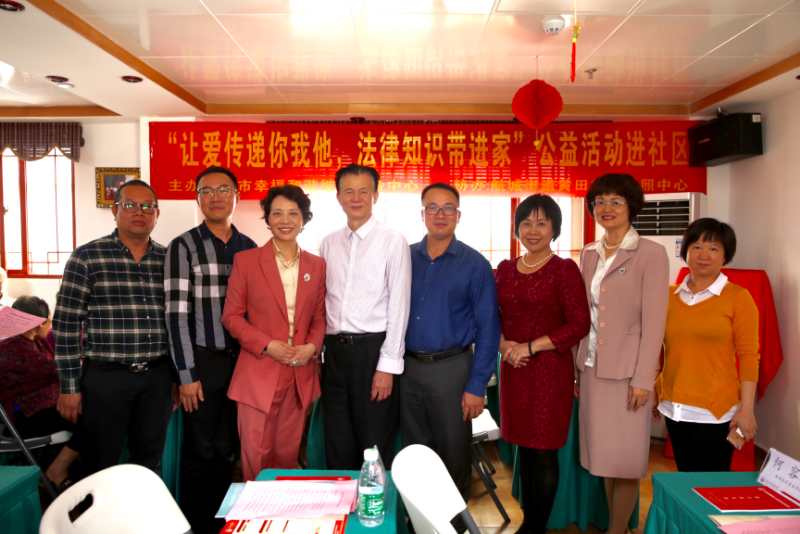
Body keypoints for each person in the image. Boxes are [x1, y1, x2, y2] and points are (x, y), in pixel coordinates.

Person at [53, 180, 173, 476]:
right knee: (99, 460)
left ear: (157, 214)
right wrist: (69, 387)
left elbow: (178, 321)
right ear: (114, 210)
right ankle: (91, 508)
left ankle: (139, 507)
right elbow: (66, 325)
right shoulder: (88, 257)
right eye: (129, 205)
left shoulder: (168, 259)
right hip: (106, 378)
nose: (139, 212)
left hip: (156, 378)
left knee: (149, 461)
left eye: (147, 206)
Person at [574, 173, 668, 534]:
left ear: (632, 206)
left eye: (616, 201)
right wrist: (576, 370)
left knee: (626, 460)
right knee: (603, 458)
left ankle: (617, 530)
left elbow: (654, 323)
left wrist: (644, 379)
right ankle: (618, 527)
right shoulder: (588, 253)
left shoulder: (651, 254)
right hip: (592, 369)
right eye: (599, 201)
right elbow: (583, 315)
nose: (606, 208)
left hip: (628, 374)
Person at [164, 166, 256, 533]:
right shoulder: (183, 246)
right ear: (198, 198)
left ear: (236, 195)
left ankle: (224, 523)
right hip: (203, 361)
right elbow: (175, 315)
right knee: (200, 449)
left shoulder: (249, 247)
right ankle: (197, 525)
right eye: (207, 190)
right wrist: (186, 375)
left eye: (223, 189)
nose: (215, 197)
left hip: (242, 363)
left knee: (229, 446)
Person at [496, 195, 590, 534]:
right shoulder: (506, 269)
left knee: (543, 452)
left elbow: (579, 324)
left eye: (541, 223)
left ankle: (536, 527)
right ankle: (529, 520)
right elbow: (491, 316)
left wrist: (531, 347)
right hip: (513, 370)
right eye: (526, 223)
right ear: (517, 228)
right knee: (524, 449)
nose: (532, 231)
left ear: (554, 228)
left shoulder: (564, 270)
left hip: (549, 372)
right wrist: (504, 345)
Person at [402, 182, 500, 498]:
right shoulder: (405, 257)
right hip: (407, 369)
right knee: (414, 452)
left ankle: (455, 521)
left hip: (452, 369)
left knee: (453, 451)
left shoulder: (475, 265)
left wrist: (476, 386)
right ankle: (417, 517)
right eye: (432, 207)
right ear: (422, 214)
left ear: (458, 215)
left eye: (448, 208)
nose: (440, 214)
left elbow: (488, 328)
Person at [222, 184, 326, 481]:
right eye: (277, 213)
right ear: (267, 218)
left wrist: (311, 347)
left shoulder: (317, 265)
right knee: (256, 458)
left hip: (299, 372)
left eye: (293, 213)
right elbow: (231, 317)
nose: (285, 220)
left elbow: (319, 318)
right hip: (259, 372)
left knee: (287, 457)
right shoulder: (247, 261)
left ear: (304, 219)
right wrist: (268, 345)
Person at [319, 164, 411, 469]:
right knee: (337, 441)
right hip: (334, 355)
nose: (355, 198)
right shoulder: (328, 243)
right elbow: (322, 300)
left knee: (373, 445)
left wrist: (387, 366)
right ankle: (342, 500)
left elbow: (399, 305)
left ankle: (375, 500)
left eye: (363, 191)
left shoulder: (392, 240)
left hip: (373, 353)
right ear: (338, 197)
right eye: (348, 191)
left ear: (375, 195)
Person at [656, 218, 759, 472]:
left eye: (713, 248)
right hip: (675, 408)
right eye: (697, 247)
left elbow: (749, 356)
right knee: (685, 481)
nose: (704, 255)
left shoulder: (738, 298)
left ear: (725, 256)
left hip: (716, 413)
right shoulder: (668, 296)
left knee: (711, 485)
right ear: (686, 251)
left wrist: (747, 410)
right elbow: (654, 347)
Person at [0, 296, 79, 488]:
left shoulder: (35, 341)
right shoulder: (13, 348)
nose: (50, 325)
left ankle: (64, 470)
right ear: (39, 323)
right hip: (26, 416)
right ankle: (57, 471)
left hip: (44, 408)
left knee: (95, 416)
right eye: (48, 321)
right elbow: (56, 370)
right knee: (93, 421)